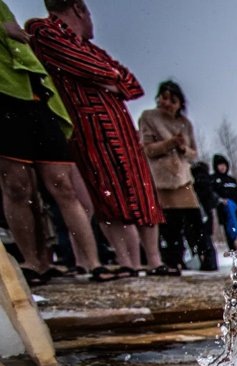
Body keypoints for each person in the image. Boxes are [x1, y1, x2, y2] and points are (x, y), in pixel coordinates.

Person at [26, 0, 165, 275]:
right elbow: (88, 67)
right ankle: (128, 263)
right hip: (89, 127)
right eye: (89, 14)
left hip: (121, 127)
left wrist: (110, 77)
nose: (92, 22)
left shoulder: (91, 48)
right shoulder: (43, 30)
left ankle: (153, 261)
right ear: (79, 9)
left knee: (141, 190)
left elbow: (131, 84)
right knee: (109, 193)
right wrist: (109, 77)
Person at [0, 0, 104, 282]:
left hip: (36, 96)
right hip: (5, 100)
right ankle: (34, 262)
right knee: (17, 185)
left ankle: (92, 262)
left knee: (62, 182)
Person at [138, 79, 212, 273]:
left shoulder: (184, 123)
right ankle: (172, 260)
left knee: (194, 220)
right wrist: (169, 143)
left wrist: (182, 147)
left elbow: (194, 153)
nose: (168, 103)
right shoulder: (149, 117)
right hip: (161, 178)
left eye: (173, 100)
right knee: (169, 223)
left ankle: (204, 257)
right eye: (164, 98)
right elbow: (147, 149)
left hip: (183, 178)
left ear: (180, 103)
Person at [211, 153, 237, 252]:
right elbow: (213, 195)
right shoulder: (214, 180)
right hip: (225, 211)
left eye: (224, 165)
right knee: (230, 231)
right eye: (220, 165)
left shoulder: (232, 180)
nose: (222, 167)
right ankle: (233, 250)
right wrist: (221, 201)